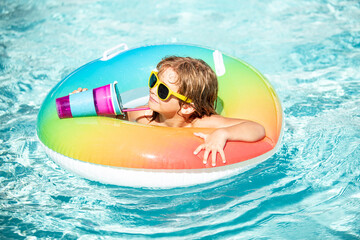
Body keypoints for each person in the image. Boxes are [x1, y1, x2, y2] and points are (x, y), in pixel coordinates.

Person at [72, 56, 265, 166]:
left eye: (163, 91)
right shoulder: (144, 115)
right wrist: (87, 102)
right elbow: (115, 116)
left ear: (188, 106)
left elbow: (256, 128)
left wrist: (223, 134)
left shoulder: (201, 122)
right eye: (154, 80)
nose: (153, 90)